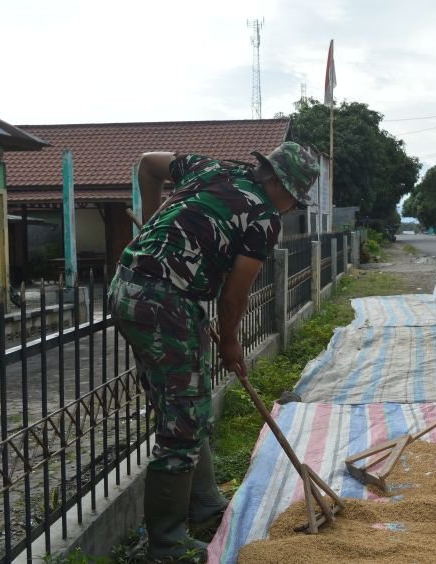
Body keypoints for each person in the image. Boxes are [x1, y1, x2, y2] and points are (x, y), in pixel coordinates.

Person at [109, 143, 319, 561]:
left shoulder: (209, 168)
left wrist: (151, 223)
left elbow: (148, 164)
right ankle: (166, 544)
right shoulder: (262, 217)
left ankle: (203, 501)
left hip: (128, 288)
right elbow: (234, 295)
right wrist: (229, 341)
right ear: (277, 182)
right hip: (163, 302)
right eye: (293, 197)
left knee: (186, 402)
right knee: (183, 420)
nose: (291, 206)